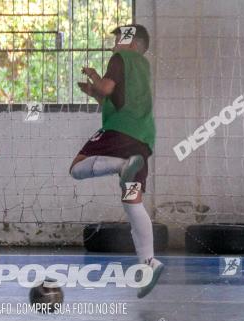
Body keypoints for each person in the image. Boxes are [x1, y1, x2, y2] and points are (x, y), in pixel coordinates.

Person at [71, 25, 164, 298]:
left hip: (120, 131)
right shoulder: (143, 66)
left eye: (119, 38)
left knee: (77, 167)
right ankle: (149, 263)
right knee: (132, 201)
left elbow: (108, 86)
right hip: (143, 139)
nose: (114, 43)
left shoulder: (121, 58)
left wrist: (95, 77)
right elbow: (111, 96)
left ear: (132, 43)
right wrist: (94, 92)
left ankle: (120, 166)